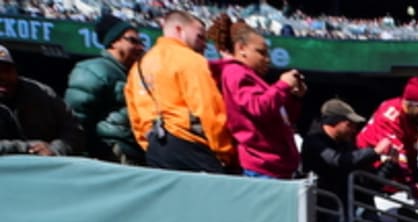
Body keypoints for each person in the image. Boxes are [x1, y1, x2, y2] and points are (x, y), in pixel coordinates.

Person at [125, 11, 234, 172]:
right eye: (200, 36)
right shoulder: (191, 60)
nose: (204, 44)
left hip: (155, 150)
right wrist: (224, 153)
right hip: (192, 147)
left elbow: (136, 117)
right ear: (179, 30)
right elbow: (209, 109)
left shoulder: (139, 66)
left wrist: (149, 145)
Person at [208, 14, 306, 178]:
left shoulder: (251, 77)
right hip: (262, 166)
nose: (267, 59)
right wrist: (282, 85)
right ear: (241, 49)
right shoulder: (235, 73)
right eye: (261, 52)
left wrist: (294, 97)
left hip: (275, 166)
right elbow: (258, 107)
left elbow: (280, 117)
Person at [64, 13, 145, 163]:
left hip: (135, 153)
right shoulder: (93, 70)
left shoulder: (134, 74)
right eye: (133, 41)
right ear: (114, 42)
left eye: (142, 42)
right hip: (111, 154)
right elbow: (76, 120)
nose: (140, 47)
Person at [0, 44, 84, 157]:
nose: (3, 77)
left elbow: (74, 130)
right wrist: (26, 148)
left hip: (45, 168)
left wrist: (56, 149)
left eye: (7, 70)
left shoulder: (42, 93)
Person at [355, 77, 418, 190]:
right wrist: (411, 184)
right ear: (407, 104)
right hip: (372, 158)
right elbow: (397, 154)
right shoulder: (390, 113)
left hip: (402, 159)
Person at [301, 98, 388, 198]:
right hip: (320, 205)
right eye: (349, 125)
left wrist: (390, 164)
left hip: (346, 206)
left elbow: (368, 182)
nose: (354, 130)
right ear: (333, 122)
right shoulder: (314, 141)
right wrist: (374, 151)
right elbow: (338, 160)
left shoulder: (346, 145)